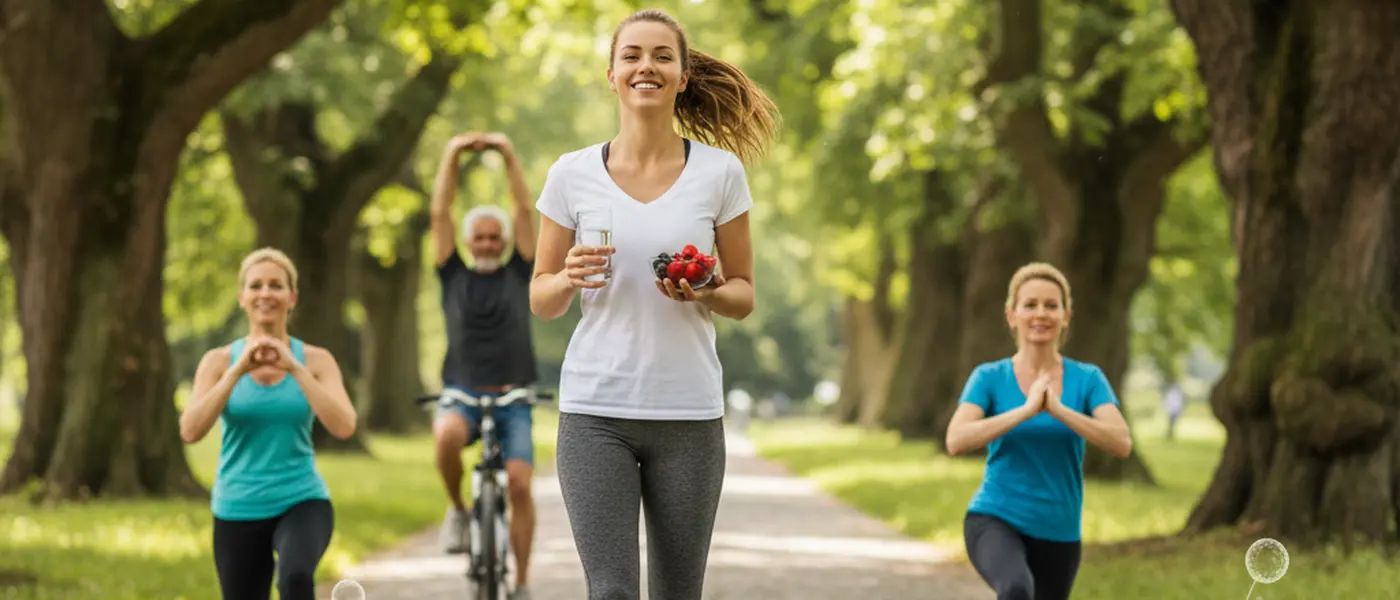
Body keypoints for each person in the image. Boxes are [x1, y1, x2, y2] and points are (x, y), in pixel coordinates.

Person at [528, 8, 779, 599]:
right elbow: (540, 298)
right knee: (611, 591)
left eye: (663, 56)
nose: (648, 66)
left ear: (683, 74)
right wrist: (566, 277)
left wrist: (709, 288)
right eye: (633, 55)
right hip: (596, 412)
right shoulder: (571, 174)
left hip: (688, 413)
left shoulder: (720, 172)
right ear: (611, 74)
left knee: (677, 592)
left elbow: (742, 295)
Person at [945, 262, 1133, 600]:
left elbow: (1121, 442)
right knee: (1016, 590)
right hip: (995, 518)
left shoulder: (1088, 379)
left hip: (1060, 531)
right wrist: (1025, 411)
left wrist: (1059, 411)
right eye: (1030, 304)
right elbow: (956, 439)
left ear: (1066, 315)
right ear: (1011, 314)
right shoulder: (989, 377)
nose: (1040, 314)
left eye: (1051, 305)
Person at [179, 247, 357, 600]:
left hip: (301, 499)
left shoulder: (317, 361)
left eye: (276, 285)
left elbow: (344, 426)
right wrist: (236, 372)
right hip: (237, 506)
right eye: (256, 285)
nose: (265, 293)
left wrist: (296, 368)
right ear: (242, 297)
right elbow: (190, 431)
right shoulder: (217, 362)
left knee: (295, 578)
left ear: (292, 297)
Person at [428, 131, 540, 598]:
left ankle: (521, 581)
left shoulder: (520, 272)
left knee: (517, 483)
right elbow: (440, 212)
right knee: (447, 437)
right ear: (469, 241)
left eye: (496, 237)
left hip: (513, 396)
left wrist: (508, 154)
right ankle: (458, 508)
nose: (490, 243)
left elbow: (523, 211)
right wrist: (452, 153)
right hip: (462, 391)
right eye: (481, 237)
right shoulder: (452, 274)